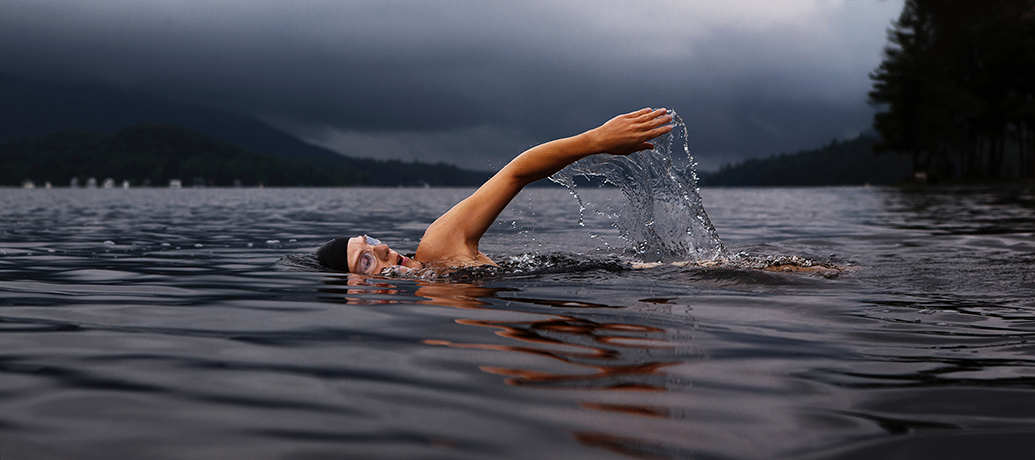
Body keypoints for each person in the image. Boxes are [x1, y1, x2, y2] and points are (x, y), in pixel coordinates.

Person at [317, 108, 674, 275]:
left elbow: (515, 173)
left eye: (370, 241)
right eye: (366, 260)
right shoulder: (433, 305)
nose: (381, 248)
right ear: (357, 293)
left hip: (649, 274)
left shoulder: (438, 248)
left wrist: (595, 141)